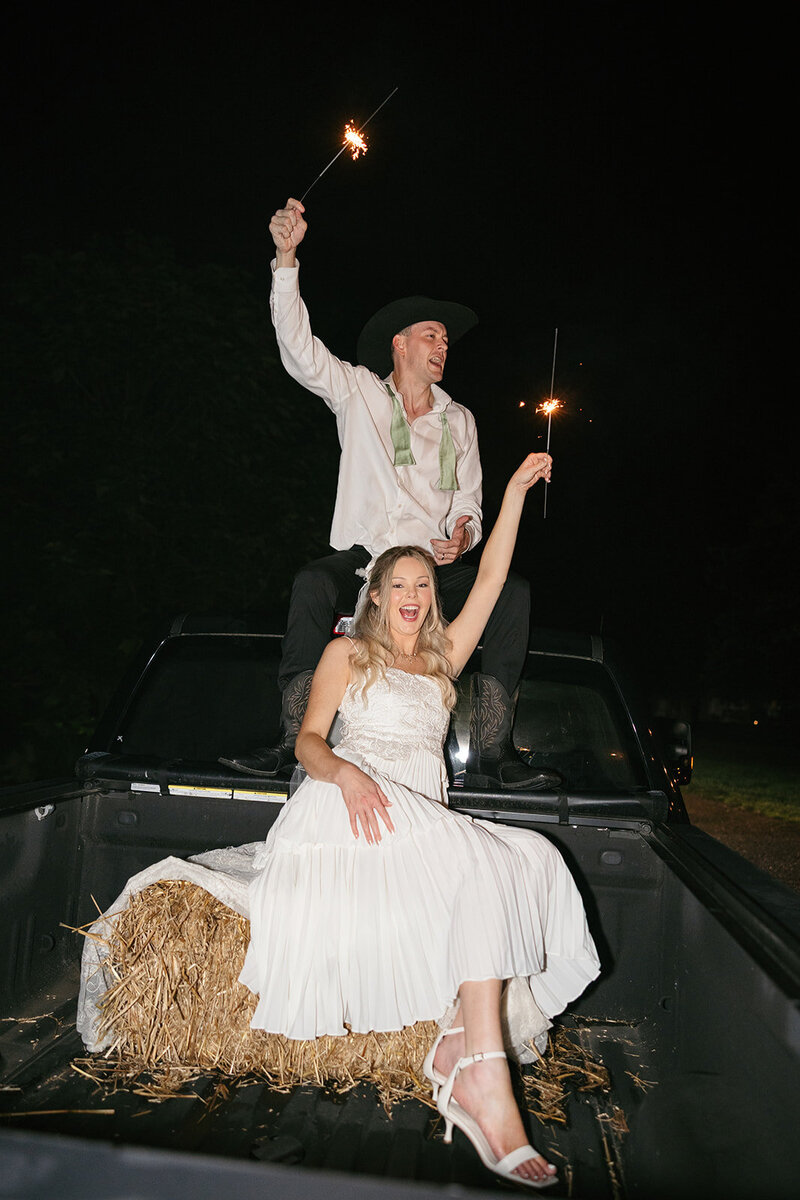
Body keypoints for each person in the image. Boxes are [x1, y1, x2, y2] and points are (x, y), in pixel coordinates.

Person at [238, 451, 600, 1189]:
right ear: (374, 597)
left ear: (433, 600)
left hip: (420, 819)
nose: (410, 594)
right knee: (498, 858)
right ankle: (483, 1080)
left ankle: (463, 1045)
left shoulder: (444, 662)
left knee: (530, 856)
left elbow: (494, 578)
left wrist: (511, 493)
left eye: (422, 585)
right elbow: (309, 740)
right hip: (349, 805)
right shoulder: (347, 653)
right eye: (396, 584)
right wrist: (346, 774)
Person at [220, 197, 559, 791]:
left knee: (514, 594)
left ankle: (495, 750)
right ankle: (290, 738)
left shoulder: (461, 421)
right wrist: (285, 257)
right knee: (309, 583)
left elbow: (468, 505)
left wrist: (463, 535)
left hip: (429, 569)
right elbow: (299, 350)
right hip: (366, 561)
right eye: (432, 334)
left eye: (447, 339)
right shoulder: (359, 393)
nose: (443, 344)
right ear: (400, 344)